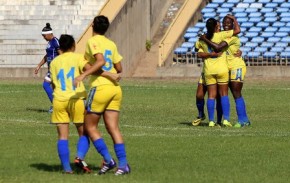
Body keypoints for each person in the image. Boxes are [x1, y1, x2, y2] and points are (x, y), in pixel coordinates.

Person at [50, 34, 121, 174]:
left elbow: (53, 83)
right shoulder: (78, 58)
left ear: (61, 48)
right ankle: (86, 157)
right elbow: (94, 70)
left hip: (59, 99)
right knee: (86, 132)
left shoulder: (54, 62)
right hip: (77, 99)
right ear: (73, 46)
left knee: (62, 137)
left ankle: (67, 169)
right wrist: (111, 75)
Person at [74, 15, 130, 175]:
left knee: (89, 126)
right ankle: (123, 164)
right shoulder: (111, 43)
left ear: (92, 25)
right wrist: (111, 74)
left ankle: (108, 159)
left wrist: (83, 75)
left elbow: (101, 61)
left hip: (100, 88)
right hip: (115, 89)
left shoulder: (92, 41)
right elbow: (119, 67)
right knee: (113, 128)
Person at [198, 15, 250, 127]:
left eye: (228, 23)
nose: (226, 24)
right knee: (225, 94)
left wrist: (204, 39)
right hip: (226, 68)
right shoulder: (221, 35)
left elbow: (218, 47)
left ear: (232, 25)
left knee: (236, 92)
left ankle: (242, 119)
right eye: (224, 22)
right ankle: (224, 120)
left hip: (236, 66)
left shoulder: (231, 36)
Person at [192, 21, 222, 126]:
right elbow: (199, 53)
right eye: (217, 26)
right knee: (199, 95)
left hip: (219, 71)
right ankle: (201, 114)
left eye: (219, 25)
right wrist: (210, 54)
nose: (219, 27)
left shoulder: (222, 37)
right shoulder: (204, 38)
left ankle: (218, 120)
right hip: (206, 71)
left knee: (217, 96)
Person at [34, 23, 61, 113]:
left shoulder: (55, 41)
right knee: (55, 88)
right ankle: (57, 106)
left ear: (50, 34)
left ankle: (56, 106)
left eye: (44, 36)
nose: (44, 38)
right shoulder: (49, 43)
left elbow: (61, 54)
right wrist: (39, 65)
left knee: (46, 85)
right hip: (51, 69)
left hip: (56, 68)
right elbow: (47, 56)